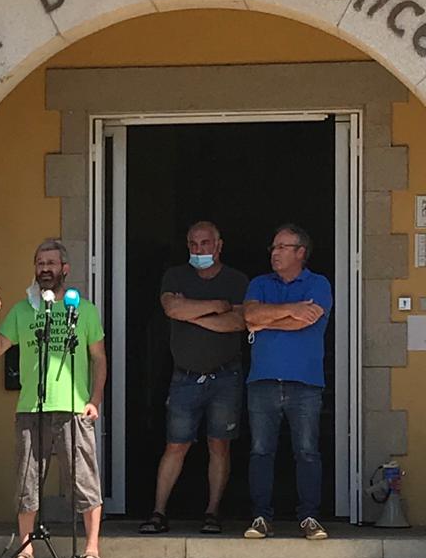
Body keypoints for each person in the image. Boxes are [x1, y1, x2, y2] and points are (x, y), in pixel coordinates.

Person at [0, 239, 107, 558]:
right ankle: (25, 551)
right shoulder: (24, 310)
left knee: (84, 479)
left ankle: (91, 550)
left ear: (64, 268)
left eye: (51, 263)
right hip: (31, 407)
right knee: (28, 483)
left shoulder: (83, 309)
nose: (45, 269)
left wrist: (94, 401)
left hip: (73, 407)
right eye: (40, 263)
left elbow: (99, 358)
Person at [139, 221, 247, 535]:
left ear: (219, 245)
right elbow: (171, 308)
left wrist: (192, 313)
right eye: (193, 244)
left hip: (225, 377)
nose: (198, 250)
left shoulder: (236, 280)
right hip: (184, 377)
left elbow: (239, 322)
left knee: (219, 445)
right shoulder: (175, 275)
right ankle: (158, 512)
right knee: (175, 445)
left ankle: (212, 512)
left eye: (205, 243)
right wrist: (215, 308)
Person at [242, 224, 333, 540]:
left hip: (305, 383)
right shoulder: (259, 283)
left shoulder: (319, 284)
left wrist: (268, 320)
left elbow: (306, 323)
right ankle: (260, 517)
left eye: (282, 247)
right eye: (273, 247)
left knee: (307, 451)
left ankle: (309, 517)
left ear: (300, 252)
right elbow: (249, 317)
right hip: (262, 380)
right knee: (260, 451)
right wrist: (292, 309)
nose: (274, 253)